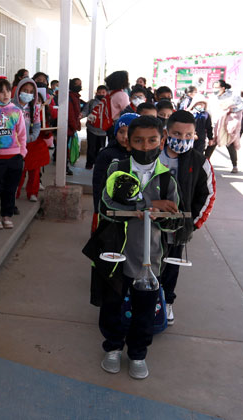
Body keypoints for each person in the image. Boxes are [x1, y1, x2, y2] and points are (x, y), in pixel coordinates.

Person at [94, 115, 181, 380]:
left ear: (162, 141)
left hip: (149, 258)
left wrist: (163, 216)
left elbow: (173, 223)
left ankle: (138, 353)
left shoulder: (167, 179)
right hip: (116, 253)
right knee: (112, 305)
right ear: (128, 143)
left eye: (152, 140)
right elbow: (106, 206)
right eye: (139, 141)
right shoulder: (117, 169)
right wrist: (147, 206)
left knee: (144, 310)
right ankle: (112, 347)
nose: (146, 146)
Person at [159, 110, 216, 325]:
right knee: (146, 262)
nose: (182, 139)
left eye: (188, 135)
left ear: (195, 135)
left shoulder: (200, 162)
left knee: (171, 266)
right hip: (149, 224)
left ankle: (166, 301)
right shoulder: (153, 154)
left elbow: (207, 195)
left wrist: (192, 223)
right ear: (166, 133)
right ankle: (145, 299)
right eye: (177, 134)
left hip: (178, 228)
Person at [0, 76, 27, 230]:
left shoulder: (16, 111)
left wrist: (22, 152)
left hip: (14, 157)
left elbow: (22, 134)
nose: (5, 94)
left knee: (10, 188)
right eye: (1, 92)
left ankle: (7, 215)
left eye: (8, 91)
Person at [90, 112, 137, 232]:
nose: (125, 136)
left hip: (134, 209)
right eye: (121, 132)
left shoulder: (141, 156)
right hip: (110, 206)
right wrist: (97, 208)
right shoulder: (106, 154)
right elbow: (98, 183)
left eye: (130, 132)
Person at [13, 77, 42, 201]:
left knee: (34, 169)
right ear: (19, 90)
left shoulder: (34, 108)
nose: (28, 94)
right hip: (14, 145)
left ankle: (32, 193)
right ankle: (15, 193)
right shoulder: (11, 106)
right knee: (18, 171)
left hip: (30, 143)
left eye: (31, 92)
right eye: (25, 90)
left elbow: (37, 126)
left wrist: (32, 137)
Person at [206, 80, 243, 173]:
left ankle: (235, 165)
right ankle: (204, 164)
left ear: (223, 88)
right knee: (211, 144)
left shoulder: (233, 96)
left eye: (216, 88)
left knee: (230, 145)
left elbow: (241, 107)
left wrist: (229, 109)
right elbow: (209, 110)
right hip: (215, 125)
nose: (214, 90)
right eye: (213, 87)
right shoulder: (212, 97)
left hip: (226, 125)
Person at [82, 85, 109, 170]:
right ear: (96, 93)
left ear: (107, 93)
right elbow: (85, 111)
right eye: (99, 92)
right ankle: (89, 164)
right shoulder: (91, 102)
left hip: (103, 131)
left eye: (103, 92)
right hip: (91, 129)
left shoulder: (109, 103)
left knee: (101, 148)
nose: (101, 94)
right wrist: (81, 115)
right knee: (91, 147)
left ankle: (98, 163)